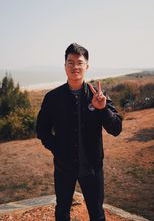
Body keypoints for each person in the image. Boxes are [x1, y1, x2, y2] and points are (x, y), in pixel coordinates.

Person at [36, 43, 122, 221]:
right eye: (70, 62)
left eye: (79, 62)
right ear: (65, 66)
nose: (75, 66)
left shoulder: (98, 96)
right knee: (62, 212)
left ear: (87, 66)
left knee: (97, 214)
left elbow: (116, 129)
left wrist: (102, 109)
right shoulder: (52, 98)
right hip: (63, 167)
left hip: (92, 168)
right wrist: (57, 149)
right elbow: (42, 130)